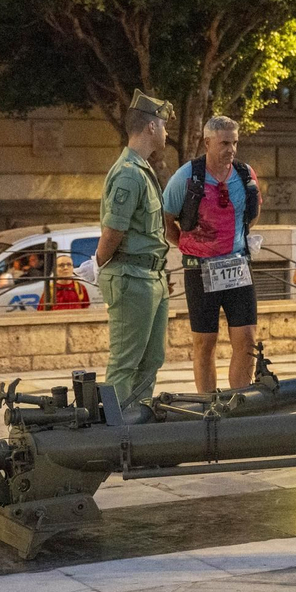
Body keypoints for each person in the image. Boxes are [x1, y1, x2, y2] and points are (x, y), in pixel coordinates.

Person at [163, 114, 263, 394]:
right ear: (207, 143)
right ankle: (208, 403)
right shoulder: (186, 176)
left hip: (237, 265)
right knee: (205, 342)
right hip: (200, 268)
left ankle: (240, 401)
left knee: (247, 339)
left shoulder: (245, 174)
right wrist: (189, 246)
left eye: (234, 143)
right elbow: (165, 220)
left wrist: (236, 237)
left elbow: (253, 212)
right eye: (224, 143)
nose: (231, 149)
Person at [95, 89, 174, 408]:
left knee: (151, 360)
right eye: (164, 125)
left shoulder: (142, 168)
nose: (167, 132)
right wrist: (97, 263)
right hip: (131, 277)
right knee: (126, 362)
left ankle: (138, 424)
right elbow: (113, 230)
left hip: (150, 277)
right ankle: (115, 429)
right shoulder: (129, 173)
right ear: (151, 126)